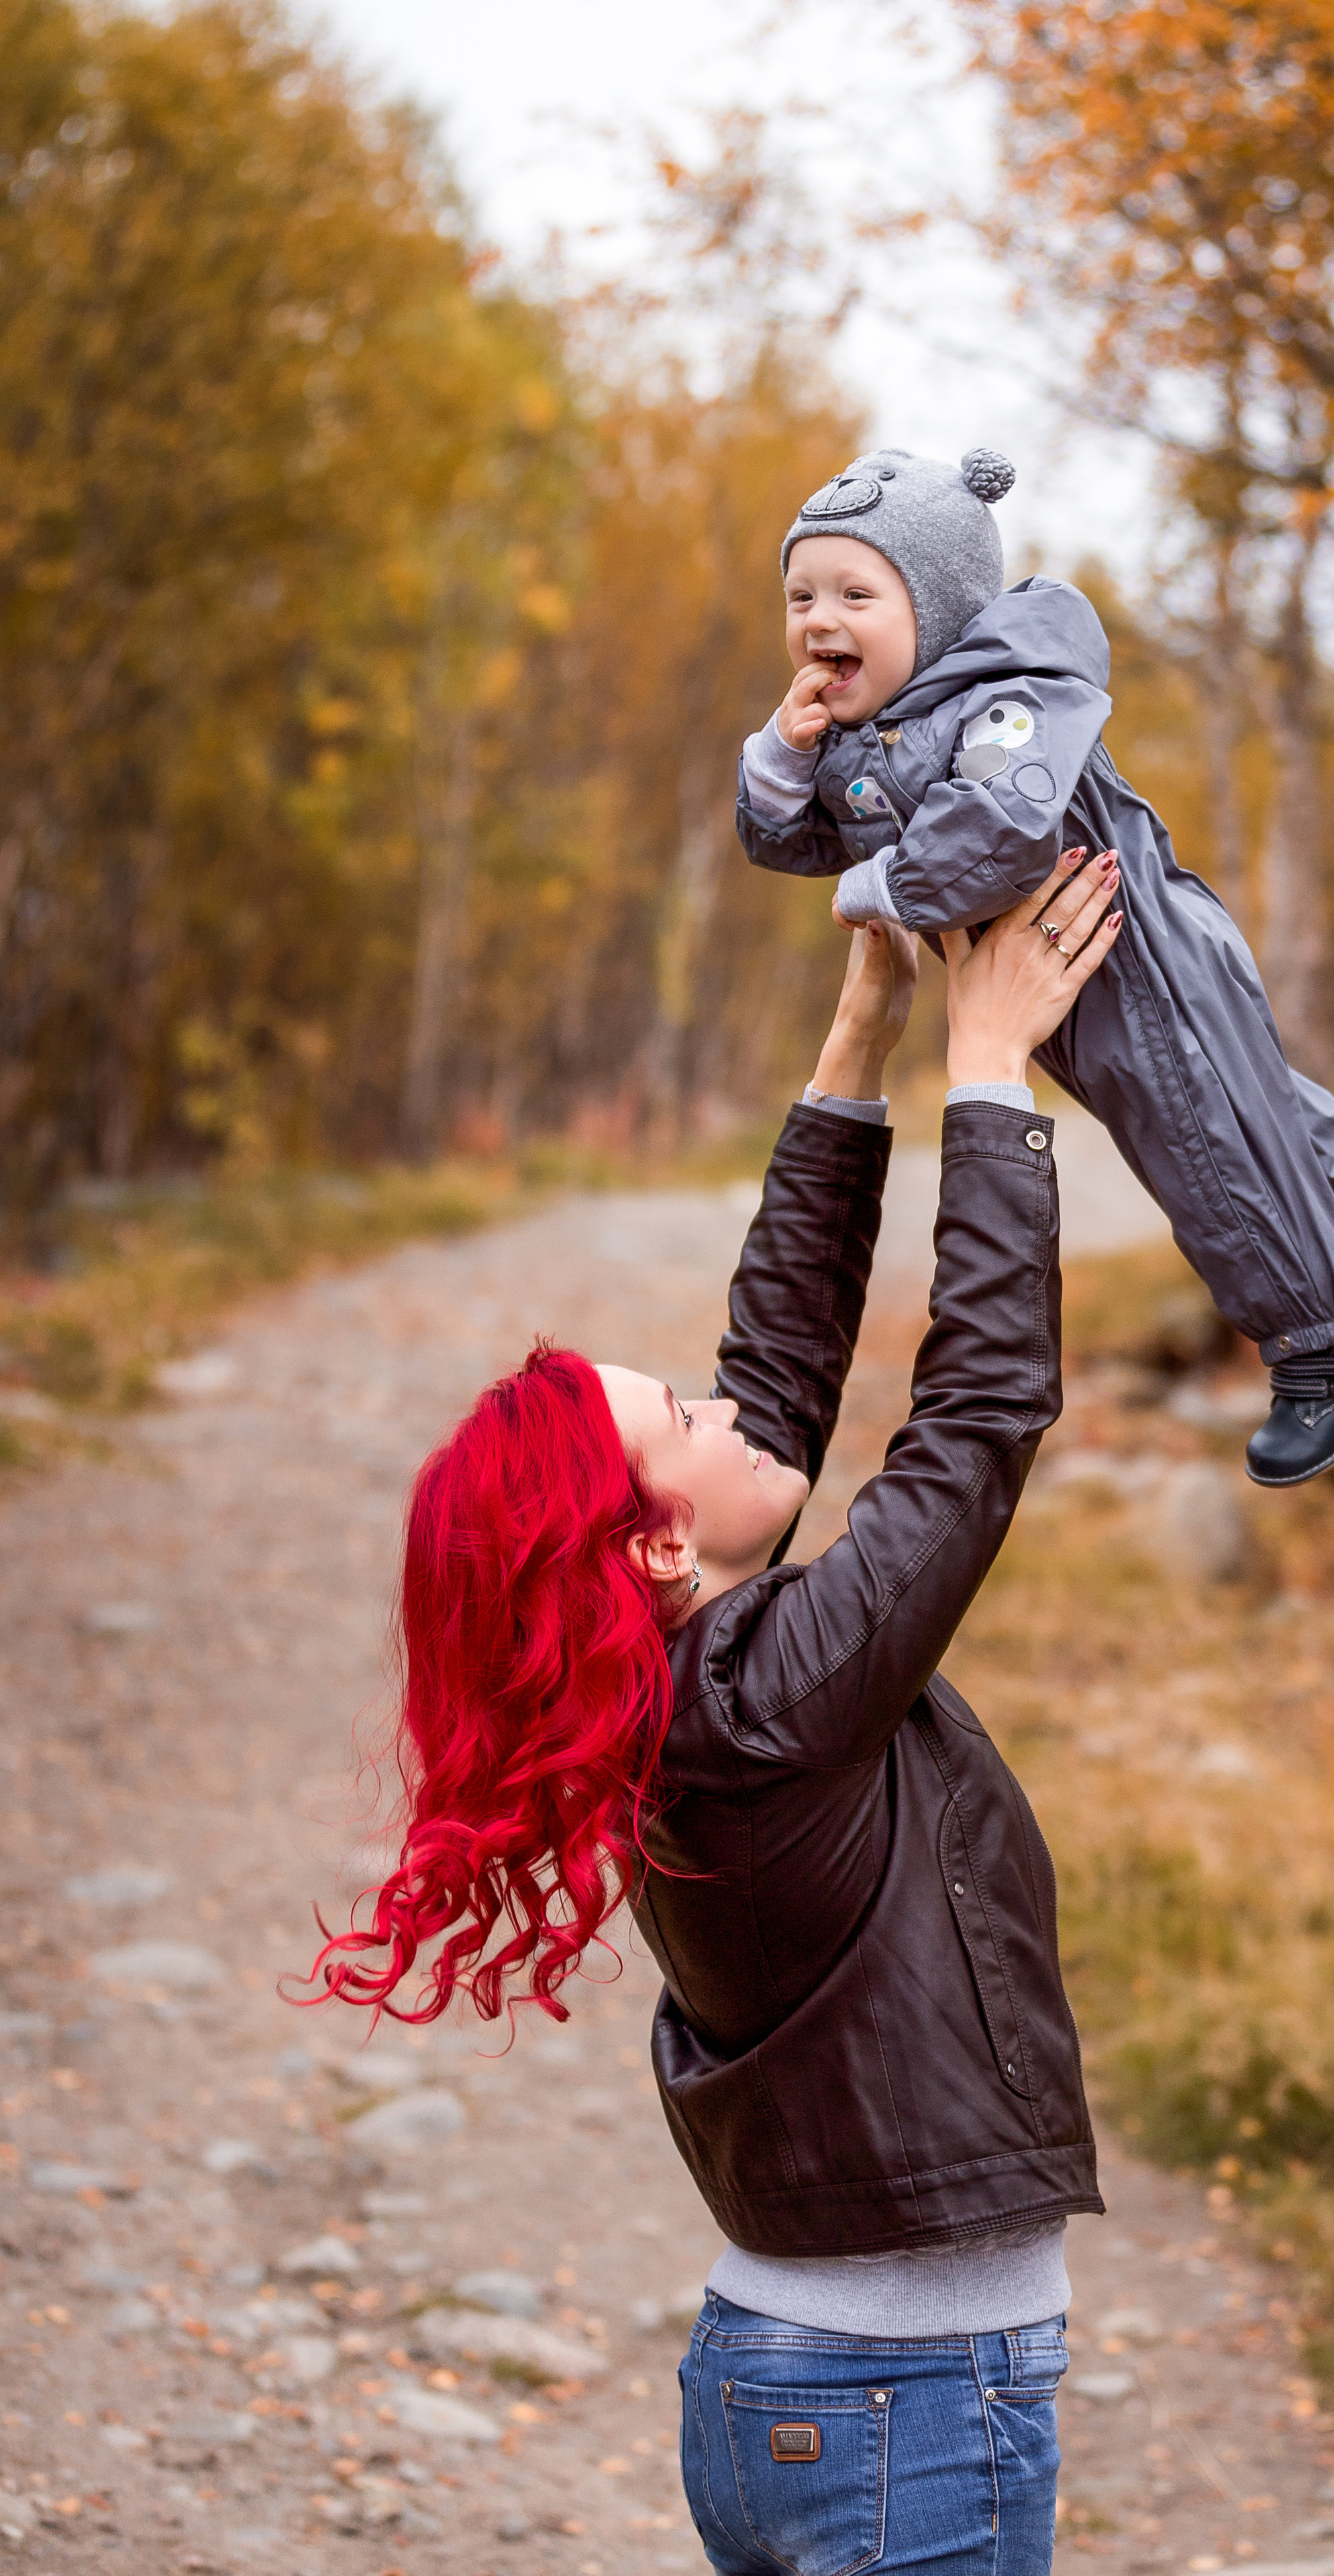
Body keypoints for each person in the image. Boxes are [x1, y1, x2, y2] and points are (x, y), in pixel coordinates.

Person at [303, 854, 1125, 2574]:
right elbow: (972, 1431)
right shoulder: (763, 1707)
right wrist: (994, 1082)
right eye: (677, 1413)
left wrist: (861, 1037)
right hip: (906, 2402)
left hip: (784, 2389)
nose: (725, 1400)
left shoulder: (688, 1687)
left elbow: (776, 1372)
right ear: (661, 1540)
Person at [735, 444, 1334, 1488]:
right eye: (802, 594)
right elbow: (804, 842)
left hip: (1141, 959)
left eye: (857, 593)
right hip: (1078, 980)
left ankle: (1330, 1351)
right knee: (1241, 1106)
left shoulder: (1011, 698)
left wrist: (882, 890)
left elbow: (996, 828)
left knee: (1208, 1150)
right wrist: (783, 760)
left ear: (938, 610)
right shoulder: (888, 733)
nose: (819, 619)